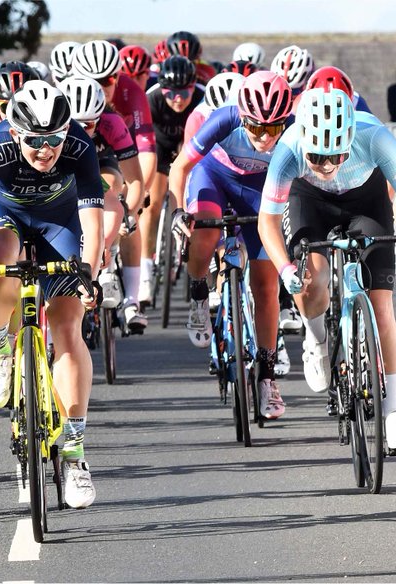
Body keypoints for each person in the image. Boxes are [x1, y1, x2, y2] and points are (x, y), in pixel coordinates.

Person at [0, 81, 104, 509]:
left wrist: (88, 274)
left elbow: (92, 223)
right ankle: (1, 348)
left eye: (54, 139)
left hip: (60, 222)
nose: (47, 150)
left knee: (68, 326)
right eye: (36, 141)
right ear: (16, 133)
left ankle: (74, 454)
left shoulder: (79, 146)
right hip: (7, 218)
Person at [258, 86, 396, 453]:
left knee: (382, 307)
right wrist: (285, 268)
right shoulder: (288, 152)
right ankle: (317, 340)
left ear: (351, 141)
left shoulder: (374, 136)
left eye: (338, 155)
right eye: (318, 157)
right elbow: (266, 222)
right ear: (305, 144)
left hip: (366, 201)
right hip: (310, 201)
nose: (329, 166)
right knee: (310, 280)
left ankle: (394, 414)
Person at [168, 71, 293, 419]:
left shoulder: (295, 128)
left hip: (260, 189)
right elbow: (180, 168)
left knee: (266, 287)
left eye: (273, 128)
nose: (265, 138)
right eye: (255, 128)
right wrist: (179, 210)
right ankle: (198, 296)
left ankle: (267, 378)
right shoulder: (225, 118)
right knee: (205, 232)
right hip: (215, 177)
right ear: (243, 117)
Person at [60, 75, 142, 315]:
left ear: (99, 117)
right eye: (72, 124)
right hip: (62, 167)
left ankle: (108, 258)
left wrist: (129, 212)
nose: (79, 130)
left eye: (88, 125)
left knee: (112, 186)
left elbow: (135, 180)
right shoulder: (51, 126)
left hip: (100, 164)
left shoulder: (112, 123)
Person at [137, 55, 203, 330]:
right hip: (159, 147)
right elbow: (142, 141)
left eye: (184, 92)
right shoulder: (151, 99)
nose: (177, 99)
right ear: (162, 89)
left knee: (193, 198)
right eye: (171, 93)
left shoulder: (202, 98)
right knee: (151, 203)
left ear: (193, 87)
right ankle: (145, 271)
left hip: (190, 146)